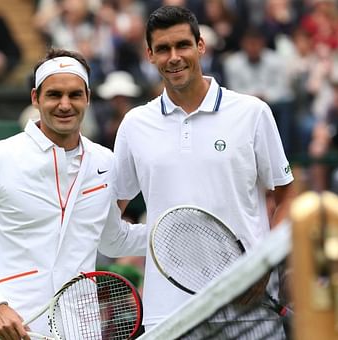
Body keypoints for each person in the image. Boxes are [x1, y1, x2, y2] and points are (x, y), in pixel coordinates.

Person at [0, 48, 146, 340]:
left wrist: (166, 237)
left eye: (75, 94)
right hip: (15, 329)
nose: (65, 104)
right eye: (54, 95)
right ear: (35, 98)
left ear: (87, 97)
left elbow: (112, 240)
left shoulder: (106, 162)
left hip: (83, 330)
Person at [113, 5, 295, 331]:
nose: (174, 57)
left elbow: (286, 195)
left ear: (200, 46)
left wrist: (264, 262)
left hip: (249, 306)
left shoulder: (252, 113)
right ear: (150, 56)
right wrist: (162, 242)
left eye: (182, 45)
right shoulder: (134, 125)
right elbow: (114, 216)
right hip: (169, 315)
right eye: (163, 49)